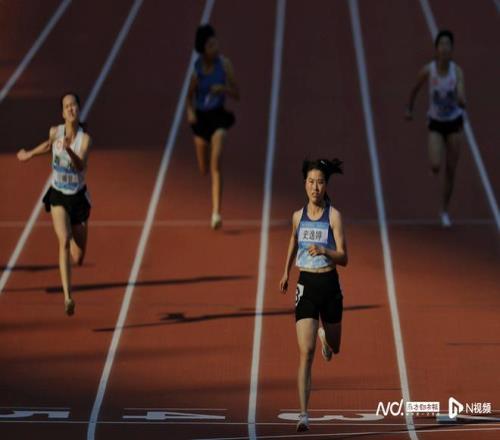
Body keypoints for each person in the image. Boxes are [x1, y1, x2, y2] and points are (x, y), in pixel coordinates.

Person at [279, 158, 348, 432]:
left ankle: (326, 340)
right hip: (306, 285)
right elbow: (293, 240)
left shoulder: (334, 217)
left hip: (329, 284)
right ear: (305, 184)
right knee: (305, 353)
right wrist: (285, 272)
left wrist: (324, 251)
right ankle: (303, 414)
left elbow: (344, 257)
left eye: (319, 182)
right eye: (310, 182)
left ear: (325, 185)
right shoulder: (298, 216)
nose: (315, 187)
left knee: (336, 346)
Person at [17, 93, 92, 316]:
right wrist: (30, 154)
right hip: (58, 194)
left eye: (73, 105)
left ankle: (74, 242)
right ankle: (68, 297)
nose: (70, 109)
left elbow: (80, 165)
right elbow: (48, 145)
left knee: (78, 257)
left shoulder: (84, 139)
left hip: (78, 197)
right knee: (64, 240)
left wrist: (68, 149)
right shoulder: (55, 131)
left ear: (78, 109)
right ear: (62, 113)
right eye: (66, 106)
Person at [405, 29, 466, 227]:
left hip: (454, 122)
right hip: (436, 122)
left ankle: (444, 210)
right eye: (442, 44)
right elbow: (415, 89)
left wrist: (460, 98)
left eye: (448, 45)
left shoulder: (456, 72)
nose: (445, 48)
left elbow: (462, 94)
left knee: (451, 169)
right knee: (435, 164)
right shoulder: (428, 70)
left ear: (452, 49)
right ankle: (434, 167)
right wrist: (409, 108)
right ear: (436, 49)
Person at [186, 24, 239, 229]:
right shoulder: (197, 69)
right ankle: (206, 153)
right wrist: (190, 112)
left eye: (216, 43)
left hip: (218, 117)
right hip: (201, 120)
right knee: (204, 169)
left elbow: (237, 93)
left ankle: (216, 213)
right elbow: (189, 97)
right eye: (210, 45)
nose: (215, 48)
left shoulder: (224, 65)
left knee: (216, 164)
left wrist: (223, 88)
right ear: (203, 49)